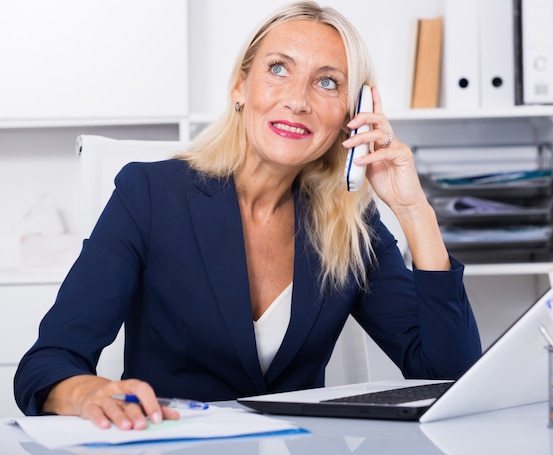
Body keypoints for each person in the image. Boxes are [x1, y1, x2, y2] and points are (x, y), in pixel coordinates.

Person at [14, 1, 481, 430]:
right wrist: (87, 392)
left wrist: (413, 210)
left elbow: (447, 378)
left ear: (350, 114)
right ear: (241, 86)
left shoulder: (352, 228)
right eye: (279, 69)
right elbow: (48, 363)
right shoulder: (150, 194)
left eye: (327, 82)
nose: (298, 99)